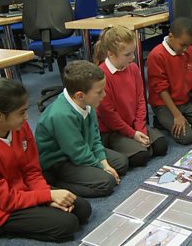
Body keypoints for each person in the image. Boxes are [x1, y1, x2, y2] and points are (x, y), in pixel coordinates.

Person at [0, 78, 91, 242]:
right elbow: (5, 200)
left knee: (82, 209)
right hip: (1, 207)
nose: (27, 117)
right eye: (21, 112)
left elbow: (32, 170)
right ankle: (2, 229)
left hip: (24, 192)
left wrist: (47, 196)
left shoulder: (20, 128)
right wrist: (46, 197)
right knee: (68, 224)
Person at [36, 61, 128, 198]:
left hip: (82, 150)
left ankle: (94, 173)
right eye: (99, 92)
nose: (104, 95)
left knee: (121, 162)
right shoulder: (61, 115)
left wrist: (104, 163)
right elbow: (78, 153)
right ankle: (58, 184)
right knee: (107, 183)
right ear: (80, 95)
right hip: (60, 163)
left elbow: (95, 137)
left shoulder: (88, 103)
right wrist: (103, 168)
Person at [94, 25, 167, 168]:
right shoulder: (101, 76)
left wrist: (140, 128)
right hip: (113, 131)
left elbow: (141, 100)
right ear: (110, 54)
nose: (133, 58)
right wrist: (132, 134)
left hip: (133, 124)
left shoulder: (133, 68)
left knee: (161, 146)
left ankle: (135, 142)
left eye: (133, 53)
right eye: (127, 55)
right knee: (141, 156)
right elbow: (109, 116)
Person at [147, 17, 192, 145]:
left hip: (184, 102)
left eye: (189, 45)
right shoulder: (156, 55)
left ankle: (182, 119)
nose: (186, 49)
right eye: (182, 45)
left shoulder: (188, 50)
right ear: (171, 36)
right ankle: (161, 120)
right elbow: (161, 89)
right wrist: (176, 115)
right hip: (164, 105)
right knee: (187, 137)